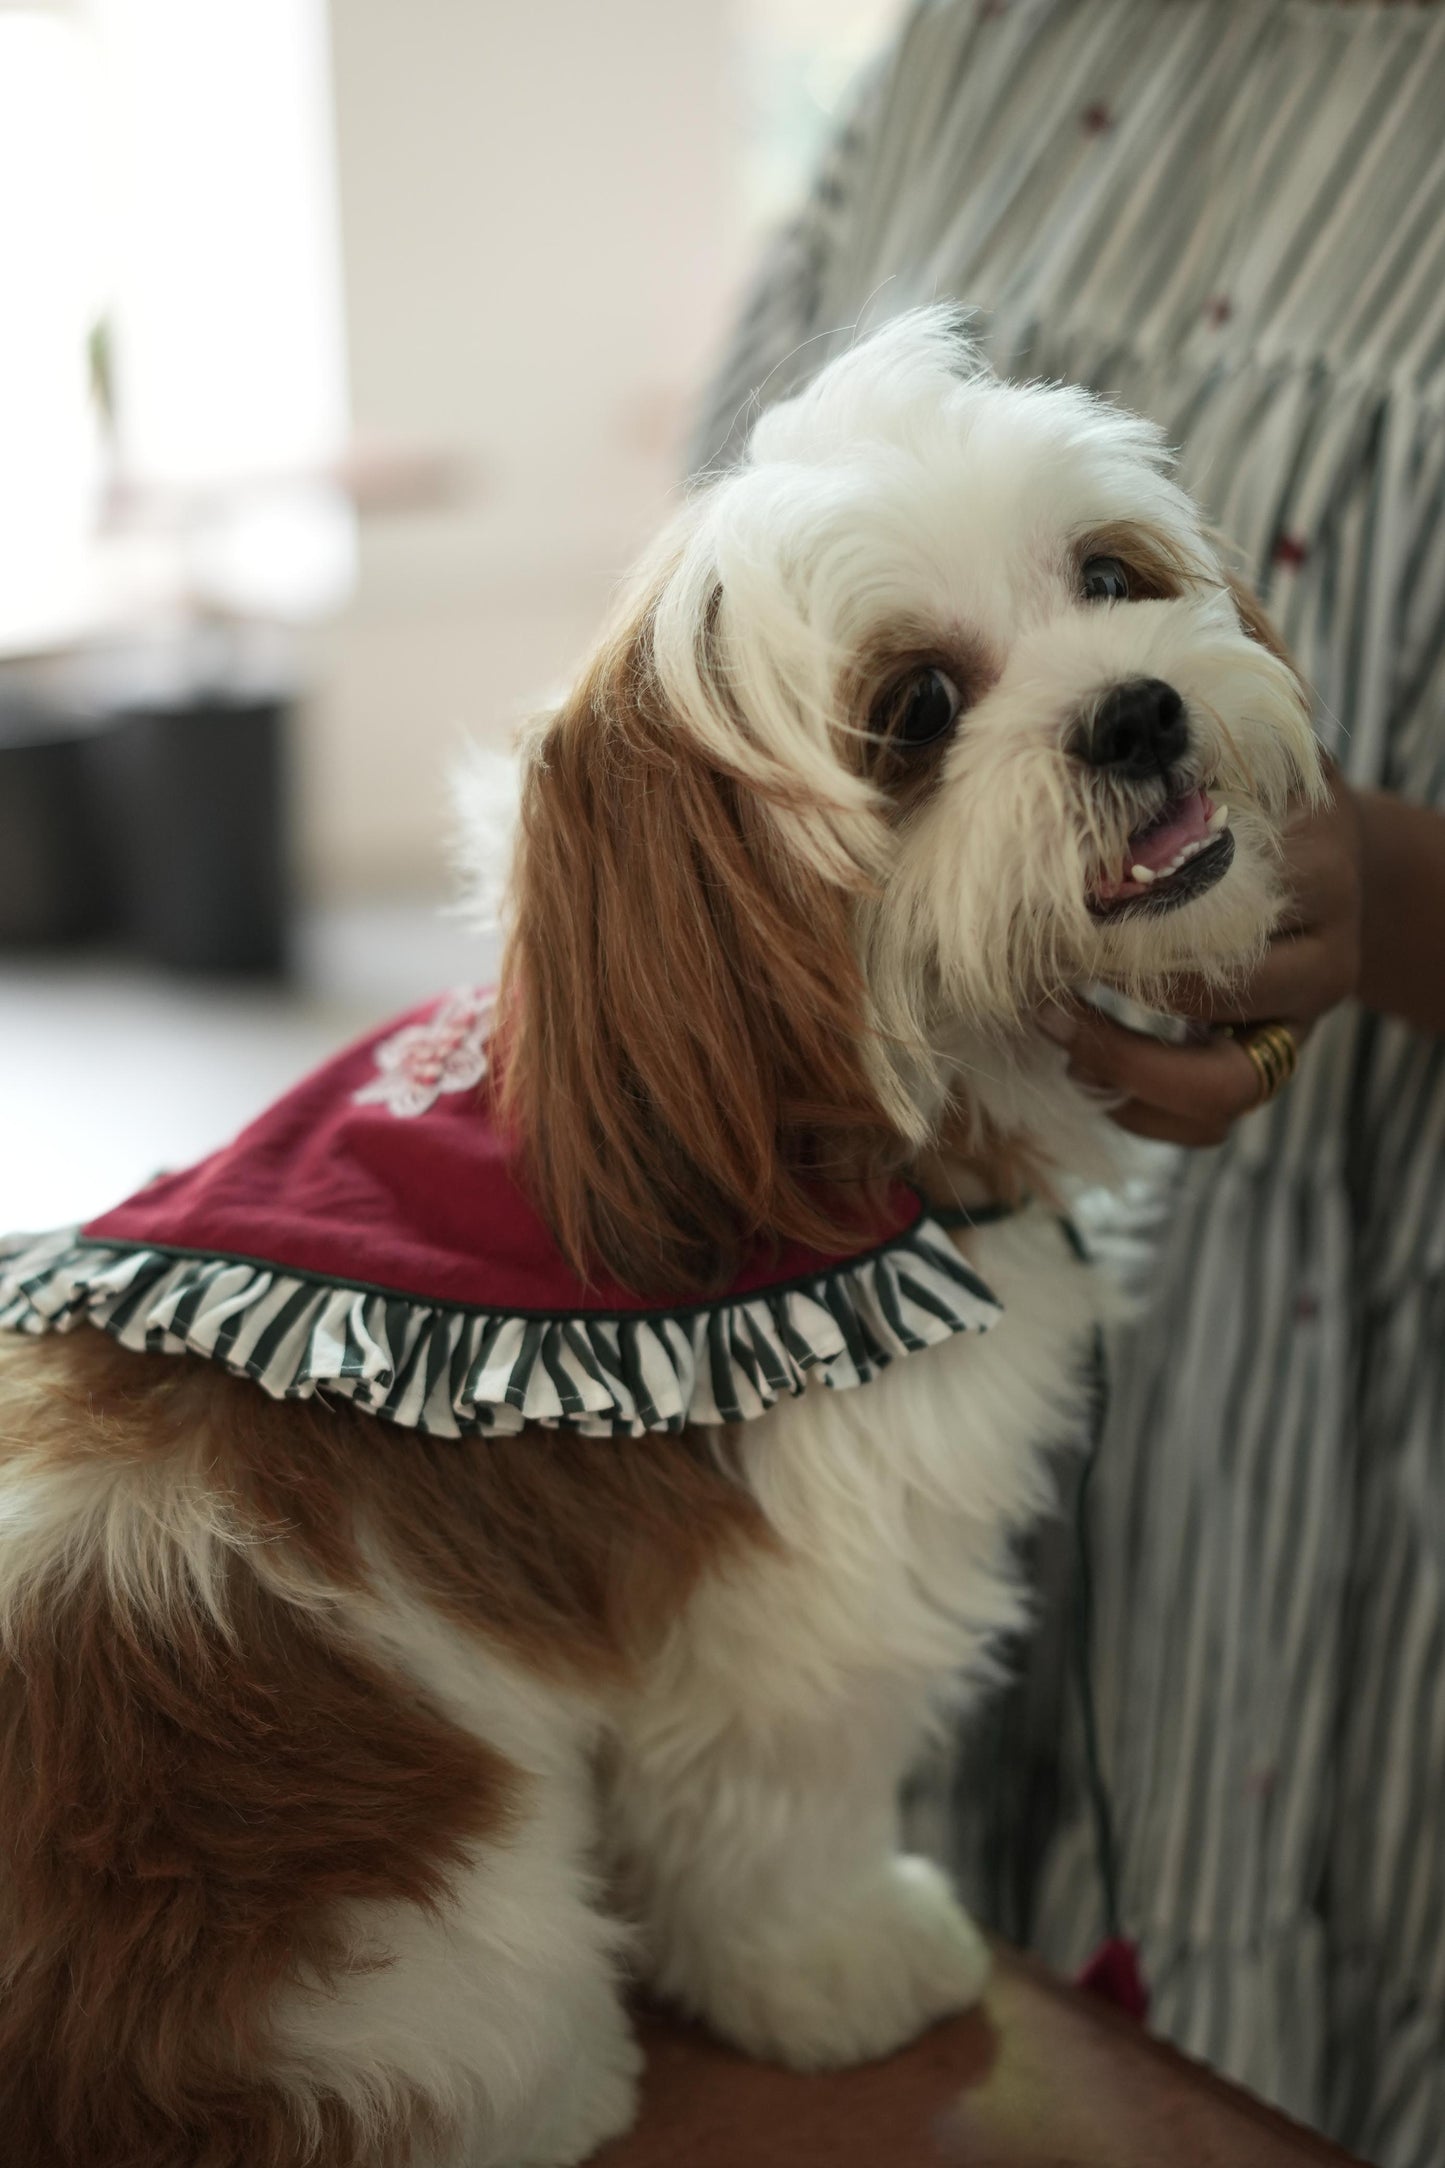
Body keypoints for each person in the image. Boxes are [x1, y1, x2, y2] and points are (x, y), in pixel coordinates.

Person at [688, 3, 1445, 2160]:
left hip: (1366, 1412)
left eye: (1114, 588)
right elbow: (717, 660)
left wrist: (1384, 896)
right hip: (905, 1297)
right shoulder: (968, 48)